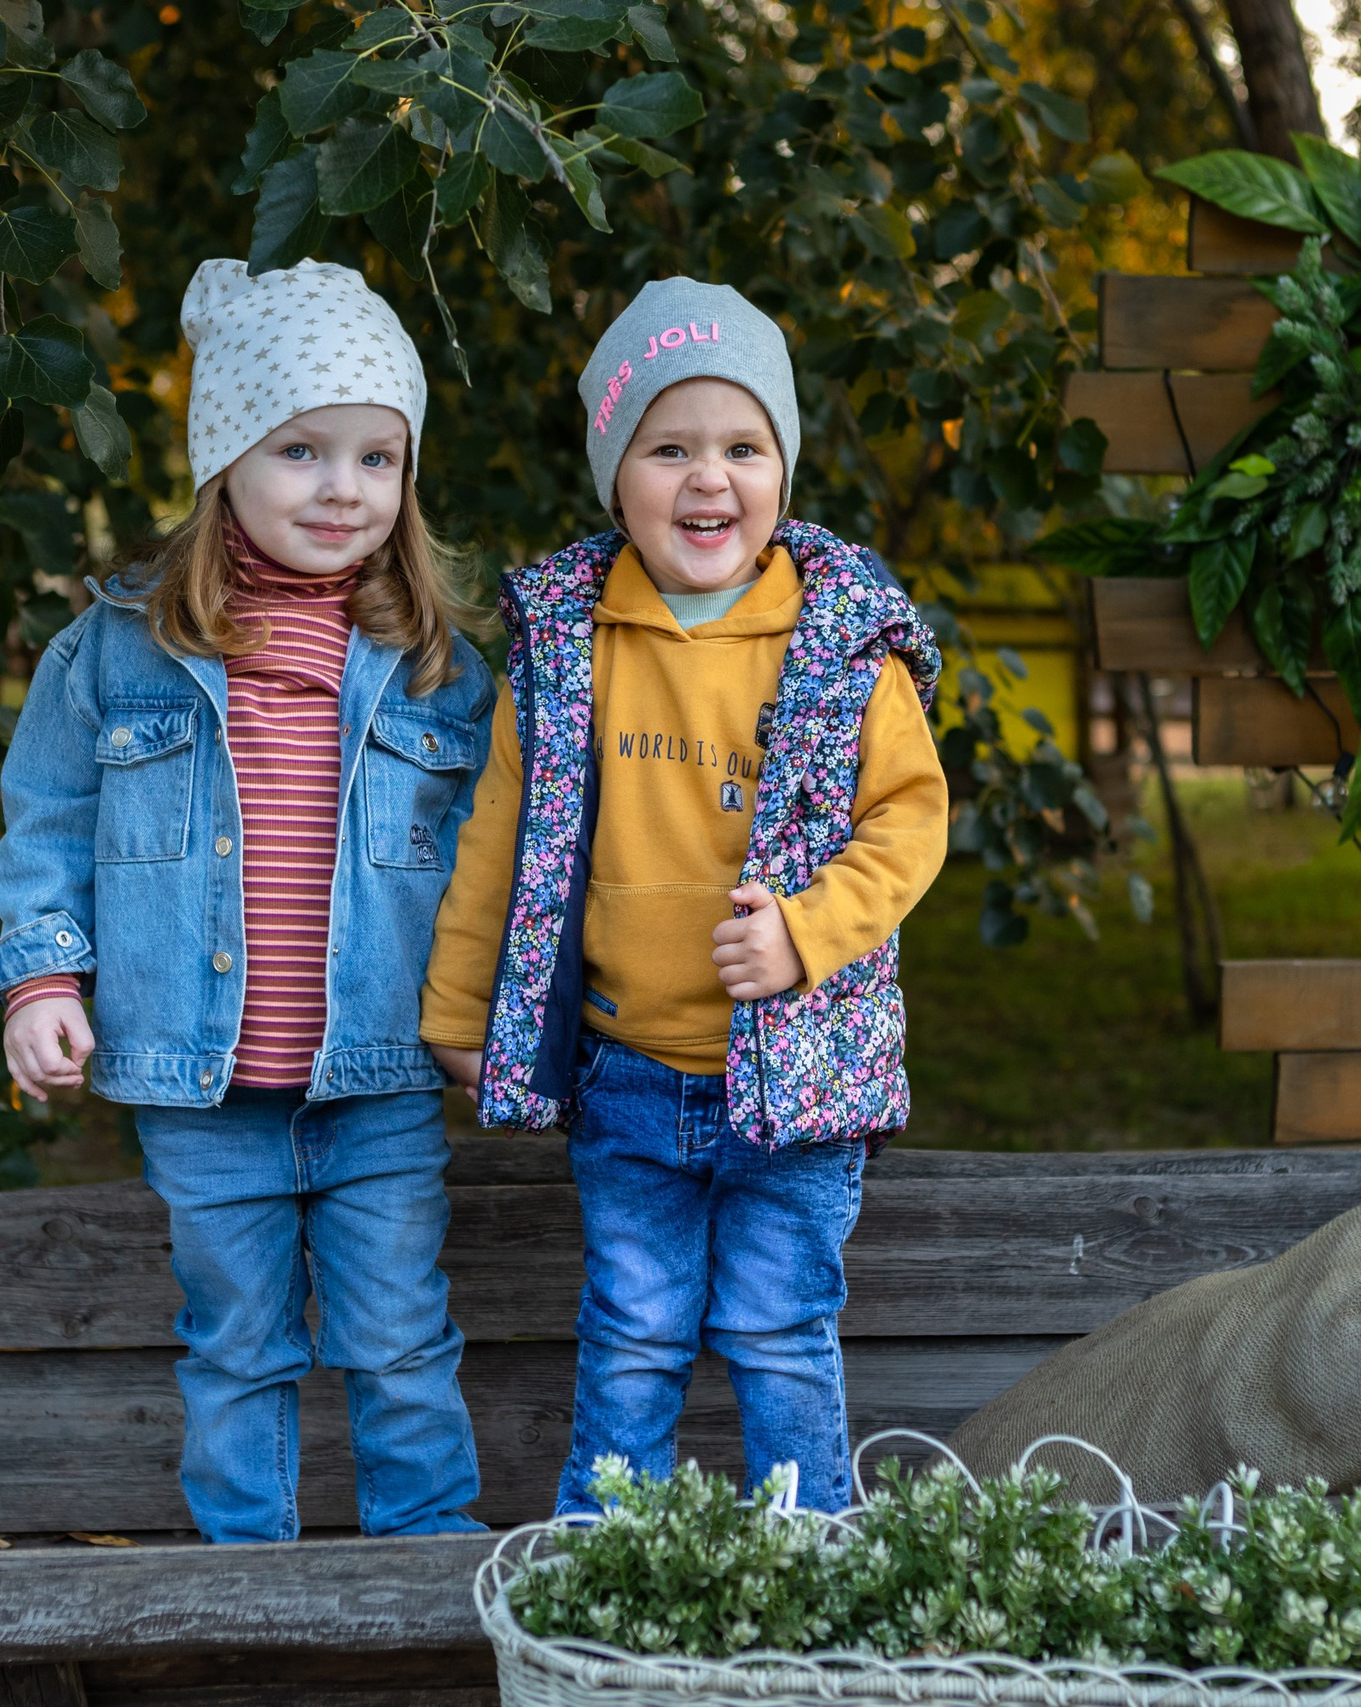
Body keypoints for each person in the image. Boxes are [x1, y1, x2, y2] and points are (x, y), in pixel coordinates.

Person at [419, 278, 948, 1515]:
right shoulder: (571, 643)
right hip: (629, 1076)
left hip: (800, 1082)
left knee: (778, 1336)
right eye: (669, 447)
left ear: (783, 468)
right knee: (633, 1338)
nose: (708, 479)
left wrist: (808, 933)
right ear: (616, 475)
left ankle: (812, 1568)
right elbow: (498, 839)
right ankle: (608, 1575)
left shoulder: (838, 645)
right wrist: (459, 1014)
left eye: (742, 447)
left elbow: (909, 822)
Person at [0, 258, 491, 1543]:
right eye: (303, 452)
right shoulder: (116, 651)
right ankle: (244, 1598)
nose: (343, 489)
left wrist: (501, 1012)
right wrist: (44, 978)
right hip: (202, 1096)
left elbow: (502, 861)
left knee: (397, 1343)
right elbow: (48, 821)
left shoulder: (438, 671)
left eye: (378, 458)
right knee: (238, 1350)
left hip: (377, 1083)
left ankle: (431, 1594)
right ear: (225, 462)